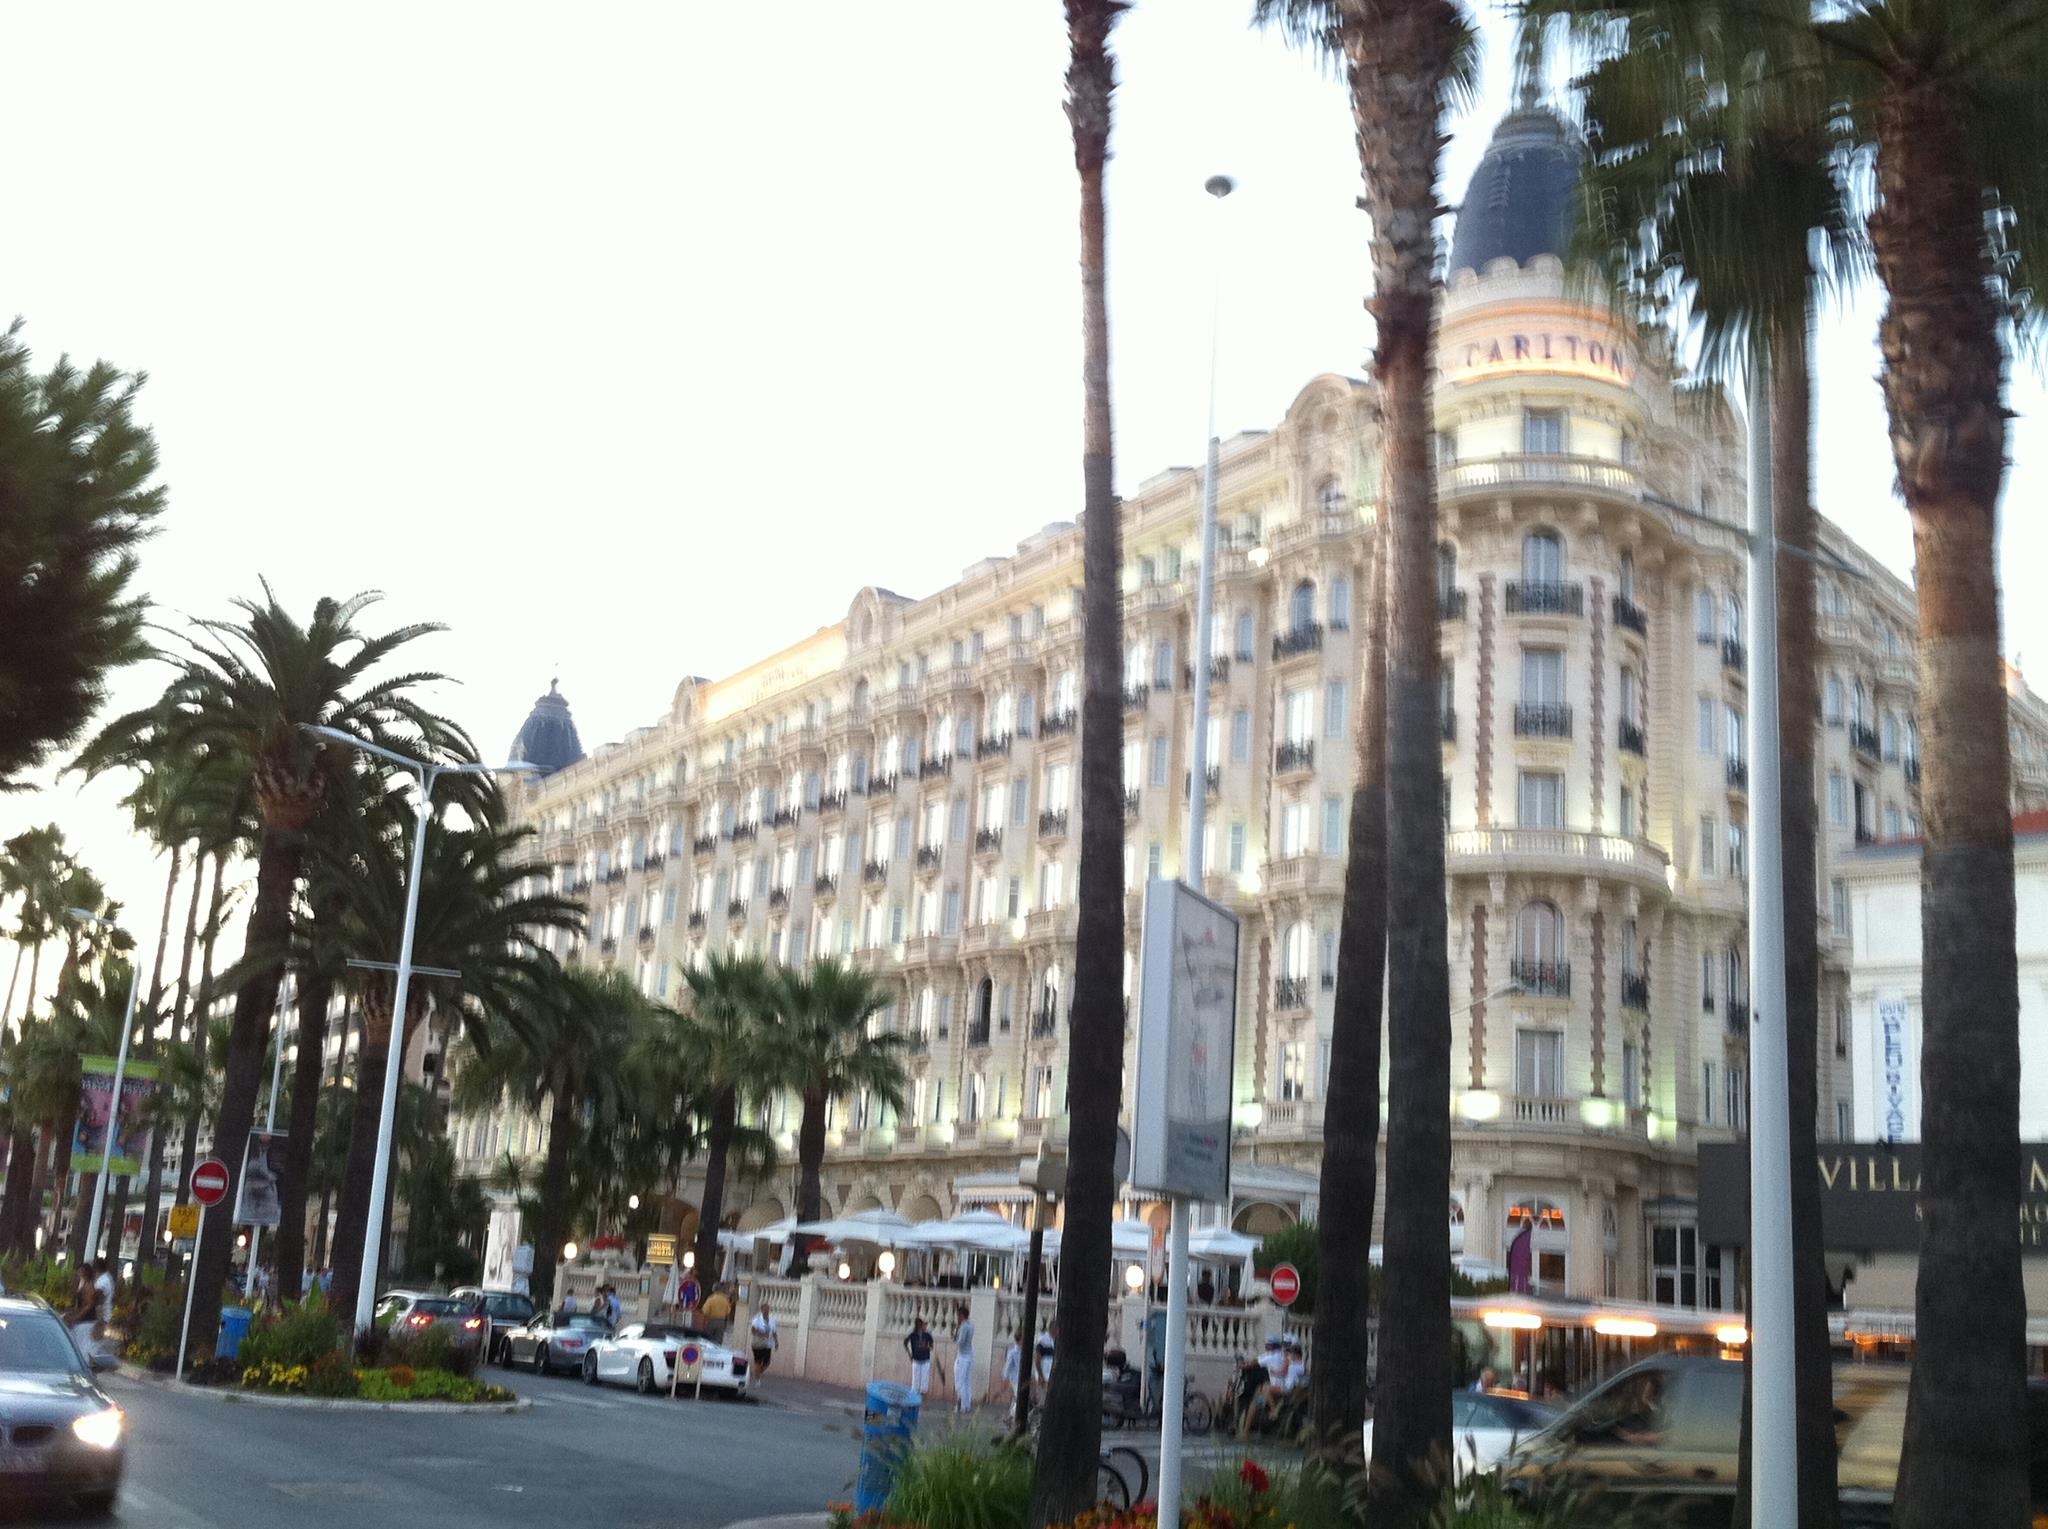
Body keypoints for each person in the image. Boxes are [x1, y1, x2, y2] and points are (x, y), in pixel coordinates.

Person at [904, 1315, 936, 1396]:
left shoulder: (928, 1334)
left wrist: (926, 1347)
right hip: (916, 1359)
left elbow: (931, 1347)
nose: (925, 1326)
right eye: (924, 1324)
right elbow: (905, 1343)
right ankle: (915, 1398)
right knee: (915, 1382)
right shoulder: (912, 1333)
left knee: (924, 1384)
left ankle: (922, 1398)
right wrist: (910, 1355)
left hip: (925, 1360)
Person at [951, 1305, 974, 1414]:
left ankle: (961, 1405)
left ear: (961, 1315)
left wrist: (954, 1337)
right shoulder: (971, 1325)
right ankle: (967, 1405)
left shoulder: (964, 1326)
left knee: (960, 1382)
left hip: (962, 1357)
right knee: (967, 1382)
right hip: (969, 1356)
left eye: (958, 1315)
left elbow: (961, 1342)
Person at [750, 1302, 779, 1383]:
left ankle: (758, 1373)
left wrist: (776, 1342)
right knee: (758, 1361)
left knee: (767, 1362)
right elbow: (753, 1331)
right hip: (758, 1344)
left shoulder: (772, 1319)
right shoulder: (757, 1319)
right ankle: (757, 1379)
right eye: (765, 1309)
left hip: (768, 1344)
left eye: (768, 1309)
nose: (766, 1311)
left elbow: (774, 1332)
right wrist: (761, 1333)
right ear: (761, 1310)